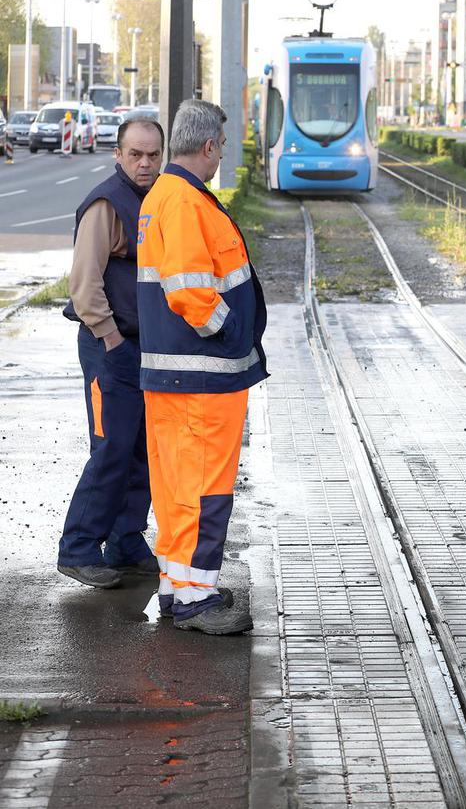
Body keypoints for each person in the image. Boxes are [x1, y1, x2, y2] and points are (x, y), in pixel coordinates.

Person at [136, 99, 267, 634]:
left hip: (176, 374)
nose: (221, 159)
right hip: (203, 374)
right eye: (222, 148)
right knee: (202, 487)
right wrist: (231, 332)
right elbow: (188, 288)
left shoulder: (164, 195)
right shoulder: (185, 201)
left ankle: (178, 586)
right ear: (209, 146)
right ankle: (196, 599)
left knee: (174, 485)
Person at [57, 119, 167, 588]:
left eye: (153, 155)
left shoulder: (154, 198)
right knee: (111, 449)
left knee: (141, 448)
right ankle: (79, 548)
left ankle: (125, 541)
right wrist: (112, 339)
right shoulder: (107, 203)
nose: (145, 163)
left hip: (141, 346)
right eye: (136, 155)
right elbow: (84, 285)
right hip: (110, 346)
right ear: (118, 155)